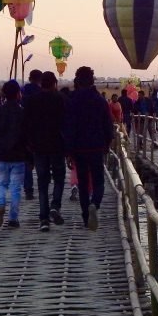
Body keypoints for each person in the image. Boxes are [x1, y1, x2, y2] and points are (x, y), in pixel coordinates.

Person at [63, 66, 114, 230]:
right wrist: (107, 143)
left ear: (77, 80)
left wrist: (68, 151)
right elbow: (108, 124)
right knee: (99, 181)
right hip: (96, 146)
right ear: (92, 80)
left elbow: (68, 127)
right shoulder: (100, 100)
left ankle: (86, 217)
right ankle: (95, 204)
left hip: (78, 148)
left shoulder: (72, 100)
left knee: (83, 183)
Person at [24, 71, 67, 232]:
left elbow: (26, 124)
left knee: (42, 183)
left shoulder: (32, 100)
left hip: (38, 147)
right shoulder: (61, 99)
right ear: (55, 83)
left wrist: (29, 145)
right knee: (59, 178)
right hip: (57, 146)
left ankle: (43, 219)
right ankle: (55, 205)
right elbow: (67, 124)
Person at [0, 80, 27, 228]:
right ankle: (13, 218)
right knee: (16, 187)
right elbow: (26, 136)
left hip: (1, 155)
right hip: (18, 155)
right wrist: (30, 157)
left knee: (1, 184)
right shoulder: (23, 113)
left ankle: (0, 204)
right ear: (18, 94)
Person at [21, 69, 43, 200]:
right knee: (41, 162)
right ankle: (42, 188)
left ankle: (28, 190)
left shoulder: (23, 91)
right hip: (40, 132)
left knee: (27, 164)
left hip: (26, 131)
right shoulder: (41, 93)